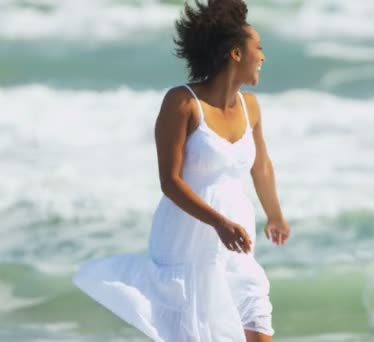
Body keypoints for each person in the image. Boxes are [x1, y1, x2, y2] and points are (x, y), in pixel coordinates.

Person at [72, 0, 290, 341]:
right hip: (187, 241)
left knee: (258, 328)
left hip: (237, 239)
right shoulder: (182, 102)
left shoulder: (251, 107)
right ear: (235, 53)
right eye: (257, 48)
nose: (263, 56)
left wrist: (274, 214)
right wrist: (218, 222)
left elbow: (260, 166)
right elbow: (170, 182)